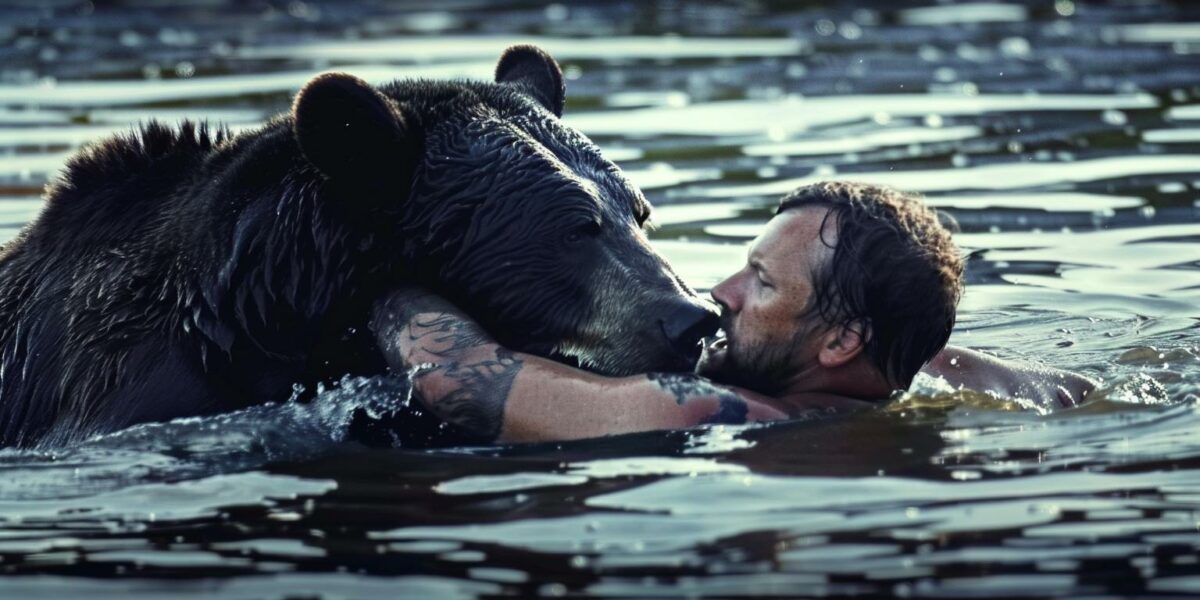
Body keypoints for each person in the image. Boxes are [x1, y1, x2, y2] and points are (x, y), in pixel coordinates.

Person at [370, 182, 1096, 443]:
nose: (720, 293)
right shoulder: (922, 370)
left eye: (761, 283)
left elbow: (458, 379)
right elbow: (1076, 389)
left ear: (842, 340)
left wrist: (371, 270)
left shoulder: (706, 413)